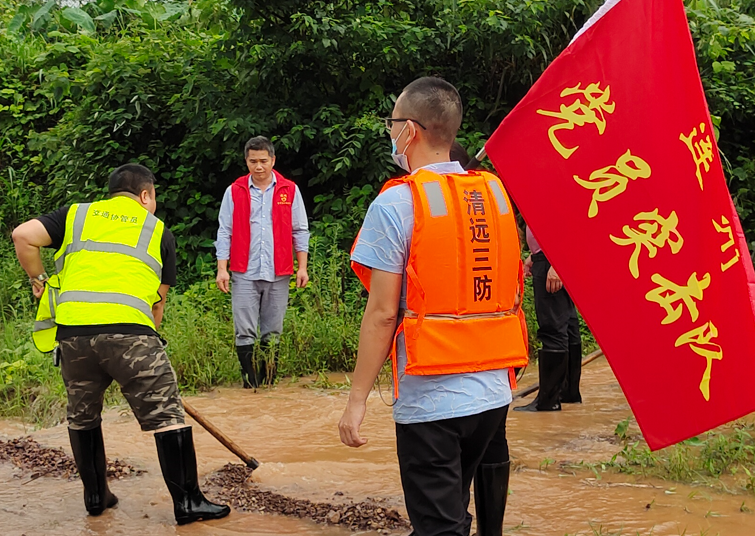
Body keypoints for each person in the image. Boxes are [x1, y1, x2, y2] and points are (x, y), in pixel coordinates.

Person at [338, 77, 529, 536]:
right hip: (493, 393)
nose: (390, 132)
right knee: (451, 518)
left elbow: (383, 312)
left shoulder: (397, 203)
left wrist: (356, 400)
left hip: (432, 399)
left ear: (411, 130)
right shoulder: (496, 196)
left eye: (392, 123)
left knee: (439, 528)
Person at [11, 164, 230, 524]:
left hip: (73, 336)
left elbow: (23, 235)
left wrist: (39, 279)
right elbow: (157, 306)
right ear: (145, 195)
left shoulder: (76, 215)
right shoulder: (158, 231)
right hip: (131, 335)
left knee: (83, 417)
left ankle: (96, 497)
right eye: (154, 197)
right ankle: (188, 503)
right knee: (167, 416)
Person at [215, 136, 310, 388]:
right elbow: (225, 231)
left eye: (263, 161)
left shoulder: (288, 190)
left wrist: (303, 267)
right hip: (244, 270)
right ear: (246, 161)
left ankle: (269, 382)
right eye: (253, 161)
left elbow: (300, 230)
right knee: (244, 329)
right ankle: (249, 383)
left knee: (273, 330)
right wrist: (222, 269)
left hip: (279, 270)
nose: (258, 166)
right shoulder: (234, 191)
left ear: (273, 160)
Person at [513, 227, 582, 411]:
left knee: (553, 328)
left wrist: (556, 261)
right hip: (548, 256)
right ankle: (567, 392)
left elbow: (566, 224)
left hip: (553, 259)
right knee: (567, 323)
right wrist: (535, 256)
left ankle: (549, 401)